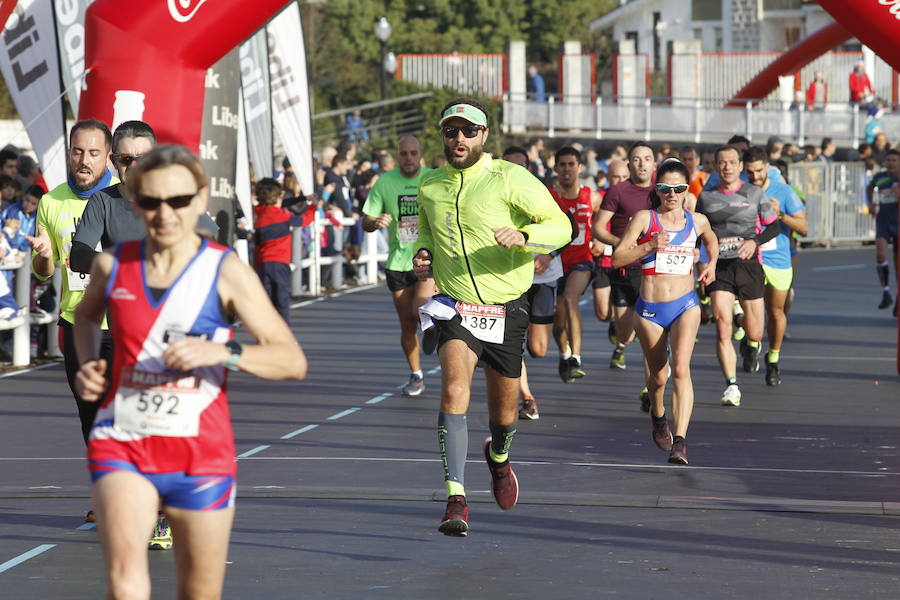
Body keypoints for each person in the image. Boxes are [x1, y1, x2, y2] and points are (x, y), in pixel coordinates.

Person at [72, 144, 306, 600]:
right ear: (135, 202)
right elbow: (84, 318)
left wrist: (223, 353)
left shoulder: (224, 271)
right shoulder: (112, 266)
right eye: (152, 201)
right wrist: (88, 366)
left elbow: (291, 360)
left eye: (178, 201)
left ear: (200, 200)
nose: (165, 214)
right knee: (124, 582)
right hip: (123, 440)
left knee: (198, 590)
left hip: (200, 453)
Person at [413, 97, 569, 537]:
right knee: (455, 389)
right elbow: (425, 231)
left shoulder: (509, 178)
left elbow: (561, 226)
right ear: (442, 135)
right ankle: (456, 499)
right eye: (450, 131)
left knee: (505, 416)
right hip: (456, 306)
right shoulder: (431, 184)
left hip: (507, 309)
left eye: (468, 131)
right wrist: (422, 255)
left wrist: (524, 235)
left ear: (484, 136)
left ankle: (498, 459)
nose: (458, 138)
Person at [613, 159, 718, 464]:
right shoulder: (645, 219)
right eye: (665, 188)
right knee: (658, 377)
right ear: (657, 190)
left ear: (687, 190)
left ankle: (681, 441)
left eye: (678, 188)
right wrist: (648, 247)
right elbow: (618, 258)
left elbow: (712, 240)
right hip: (650, 310)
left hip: (685, 304)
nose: (672, 194)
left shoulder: (697, 221)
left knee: (682, 370)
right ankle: (658, 417)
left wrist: (710, 265)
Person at [696, 145, 779, 407]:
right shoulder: (706, 198)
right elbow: (697, 232)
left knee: (756, 332)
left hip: (748, 265)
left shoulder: (754, 193)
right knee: (722, 326)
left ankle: (750, 342)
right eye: (722, 162)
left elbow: (773, 225)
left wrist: (755, 241)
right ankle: (731, 385)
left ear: (740, 166)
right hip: (719, 266)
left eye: (732, 162)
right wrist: (701, 264)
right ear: (716, 166)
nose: (727, 167)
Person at [361, 135, 435, 396]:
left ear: (420, 154)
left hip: (426, 258)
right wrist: (375, 222)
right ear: (397, 155)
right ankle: (416, 375)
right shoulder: (385, 182)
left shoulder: (433, 178)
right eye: (404, 154)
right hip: (398, 261)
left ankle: (432, 326)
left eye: (413, 153)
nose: (409, 158)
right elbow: (366, 220)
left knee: (420, 310)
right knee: (407, 324)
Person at [501, 145, 562, 420]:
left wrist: (548, 253)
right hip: (510, 281)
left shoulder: (541, 194)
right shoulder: (494, 198)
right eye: (509, 166)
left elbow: (566, 229)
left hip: (543, 277)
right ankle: (527, 397)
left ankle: (562, 329)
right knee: (513, 344)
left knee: (538, 349)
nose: (515, 171)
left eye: (520, 166)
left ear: (529, 169)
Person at [743, 147, 808, 386]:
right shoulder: (740, 188)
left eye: (759, 171)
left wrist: (779, 215)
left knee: (776, 312)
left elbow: (804, 227)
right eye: (749, 172)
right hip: (749, 259)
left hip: (778, 259)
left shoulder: (783, 191)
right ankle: (750, 341)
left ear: (767, 167)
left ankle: (773, 359)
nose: (755, 177)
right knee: (744, 308)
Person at [592, 141, 656, 373]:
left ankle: (651, 387)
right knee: (625, 332)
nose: (642, 164)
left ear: (654, 164)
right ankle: (621, 341)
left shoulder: (661, 191)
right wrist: (620, 243)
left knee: (652, 330)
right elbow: (597, 227)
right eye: (637, 159)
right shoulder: (618, 191)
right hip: (623, 268)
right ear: (630, 164)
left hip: (652, 270)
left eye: (647, 159)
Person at [550, 146, 601, 382]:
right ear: (556, 168)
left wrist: (601, 241)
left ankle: (576, 357)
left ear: (579, 167)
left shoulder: (592, 196)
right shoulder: (549, 196)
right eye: (562, 165)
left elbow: (603, 222)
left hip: (582, 259)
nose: (567, 169)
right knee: (558, 322)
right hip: (555, 262)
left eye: (571, 164)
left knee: (571, 298)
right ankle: (564, 352)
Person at [252, 178, 316, 324]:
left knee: (265, 302)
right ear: (277, 197)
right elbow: (304, 220)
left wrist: (301, 198)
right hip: (279, 263)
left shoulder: (258, 214)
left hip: (262, 263)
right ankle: (283, 335)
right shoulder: (282, 215)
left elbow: (256, 246)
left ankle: (264, 336)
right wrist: (313, 206)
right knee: (282, 302)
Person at [592, 159, 629, 348]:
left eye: (624, 177)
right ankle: (617, 321)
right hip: (604, 263)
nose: (620, 181)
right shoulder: (599, 197)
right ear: (607, 178)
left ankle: (620, 348)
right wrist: (594, 240)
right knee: (603, 313)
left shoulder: (634, 198)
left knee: (626, 326)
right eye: (616, 177)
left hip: (626, 264)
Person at [866, 148, 900, 314]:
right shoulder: (880, 177)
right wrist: (871, 205)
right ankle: (886, 291)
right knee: (880, 253)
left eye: (894, 160)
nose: (891, 163)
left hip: (898, 222)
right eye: (889, 160)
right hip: (884, 221)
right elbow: (869, 188)